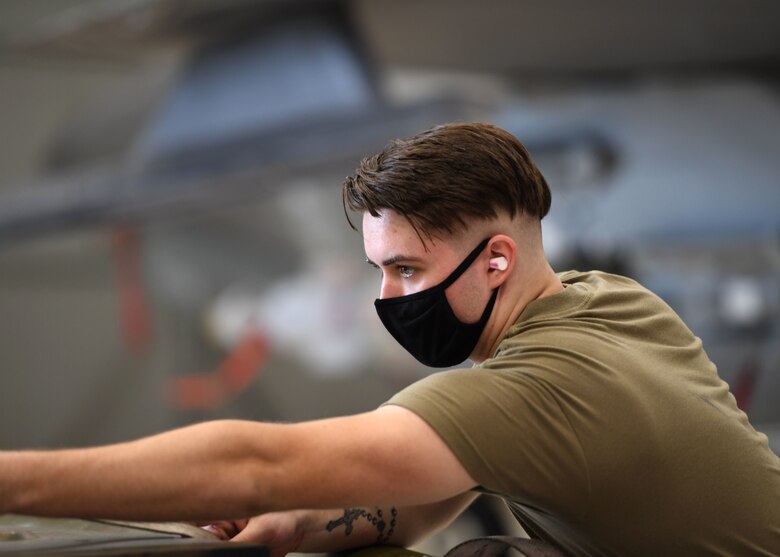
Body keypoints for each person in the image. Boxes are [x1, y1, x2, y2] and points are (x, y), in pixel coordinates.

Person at [1, 123, 778, 557]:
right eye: (379, 269)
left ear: (496, 260)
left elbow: (254, 464)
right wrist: (303, 524)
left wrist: (15, 482)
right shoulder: (610, 302)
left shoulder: (537, 391)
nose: (387, 297)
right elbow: (413, 506)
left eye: (407, 268)